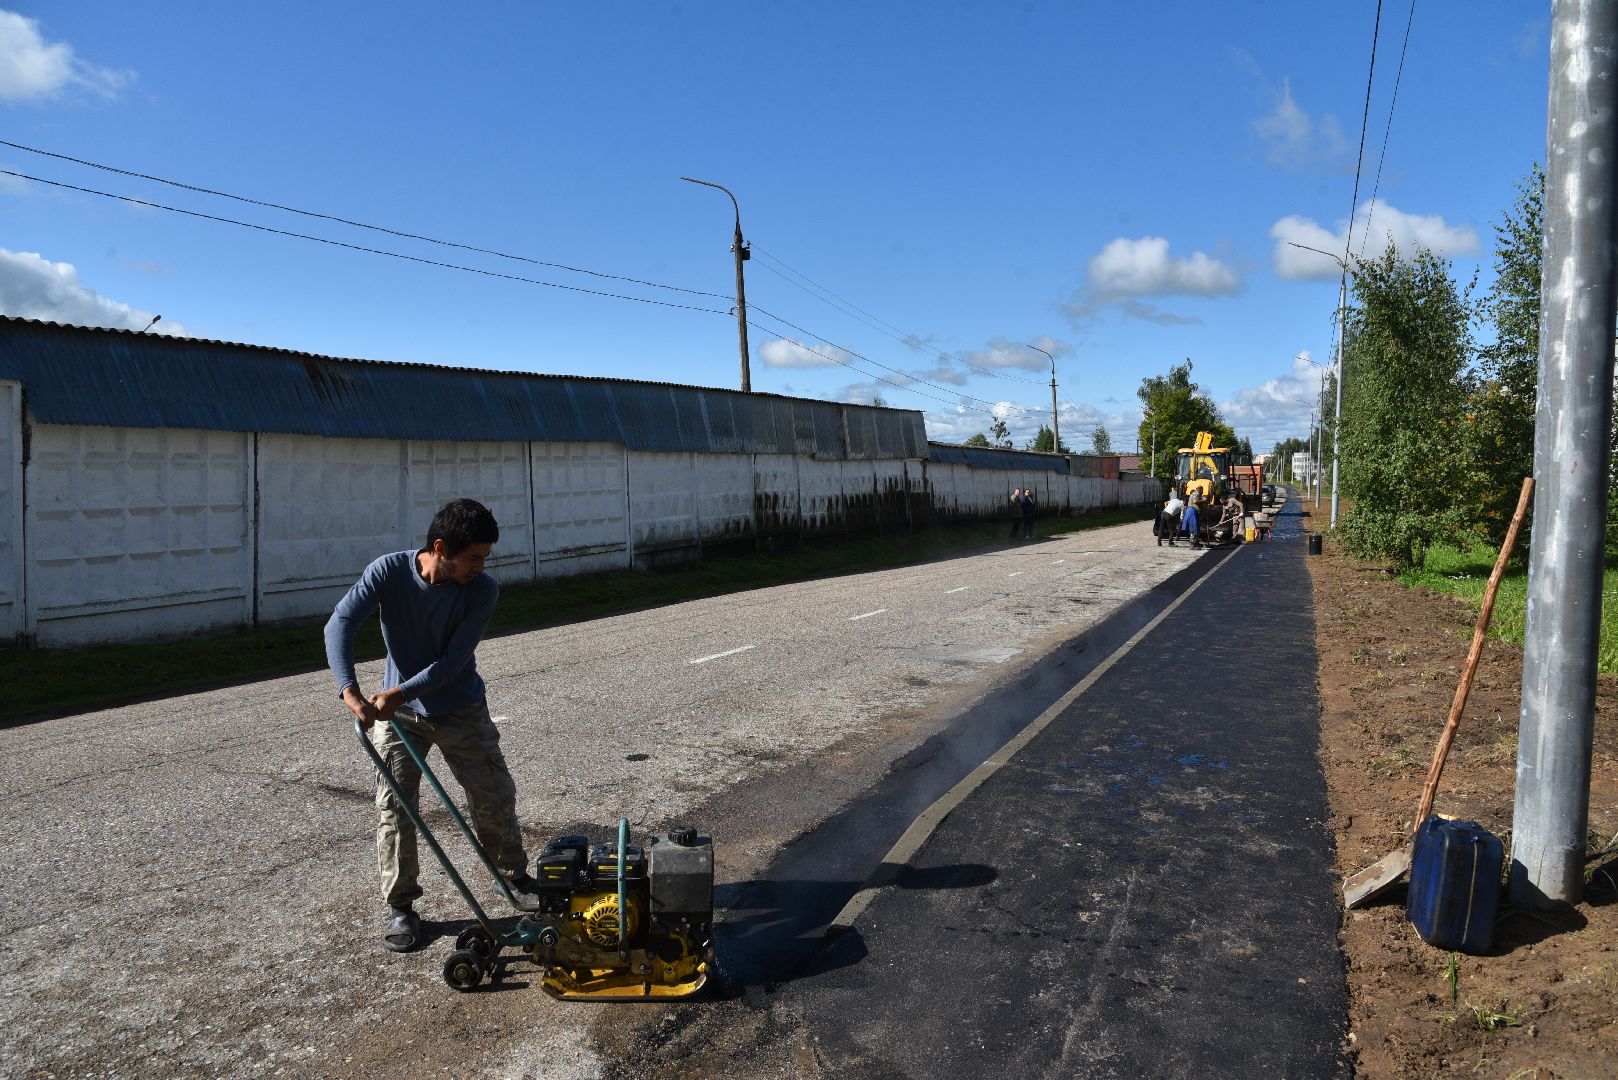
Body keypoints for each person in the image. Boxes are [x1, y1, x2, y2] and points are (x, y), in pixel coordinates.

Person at [325, 498, 543, 953]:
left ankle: (514, 877)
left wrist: (396, 693)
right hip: (400, 717)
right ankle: (401, 908)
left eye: (485, 558)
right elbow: (339, 623)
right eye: (474, 557)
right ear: (440, 547)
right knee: (395, 807)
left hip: (459, 707)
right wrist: (350, 691)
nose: (481, 567)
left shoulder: (481, 591)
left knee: (493, 795)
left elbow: (452, 662)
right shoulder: (387, 572)